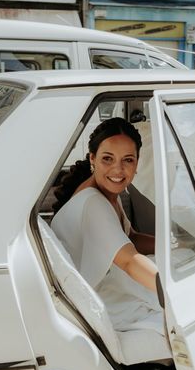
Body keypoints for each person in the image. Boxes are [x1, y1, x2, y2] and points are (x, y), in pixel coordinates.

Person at [51, 117, 164, 339]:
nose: (118, 170)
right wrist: (174, 289)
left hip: (107, 281)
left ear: (137, 162)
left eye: (128, 160)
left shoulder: (107, 192)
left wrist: (172, 245)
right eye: (107, 159)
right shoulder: (93, 202)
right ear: (93, 158)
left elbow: (129, 236)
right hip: (102, 299)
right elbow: (129, 261)